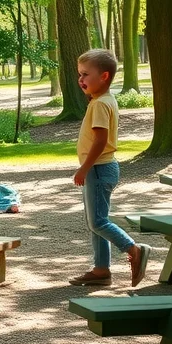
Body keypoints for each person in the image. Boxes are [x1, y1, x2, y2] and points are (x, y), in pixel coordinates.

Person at [70, 49, 150, 288]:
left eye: (85, 74)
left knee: (97, 222)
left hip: (98, 168)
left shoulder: (100, 105)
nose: (80, 79)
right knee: (95, 220)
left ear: (104, 76)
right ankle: (101, 270)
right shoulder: (102, 100)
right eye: (79, 74)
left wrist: (84, 168)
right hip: (101, 168)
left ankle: (134, 249)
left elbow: (100, 141)